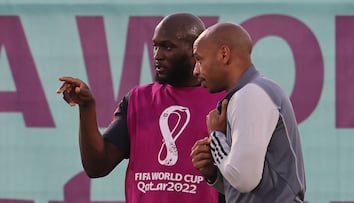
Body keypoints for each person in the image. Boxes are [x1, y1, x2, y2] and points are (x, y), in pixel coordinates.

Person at [56, 13, 226, 203]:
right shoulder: (138, 99)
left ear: (195, 50)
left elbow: (246, 177)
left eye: (168, 47)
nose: (157, 55)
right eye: (155, 46)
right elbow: (97, 166)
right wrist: (87, 107)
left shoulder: (226, 102)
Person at [190, 22, 306, 203]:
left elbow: (244, 179)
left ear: (224, 54)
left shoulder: (250, 94)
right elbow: (249, 189)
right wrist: (213, 173)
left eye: (199, 59)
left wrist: (216, 137)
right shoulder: (252, 92)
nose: (195, 71)